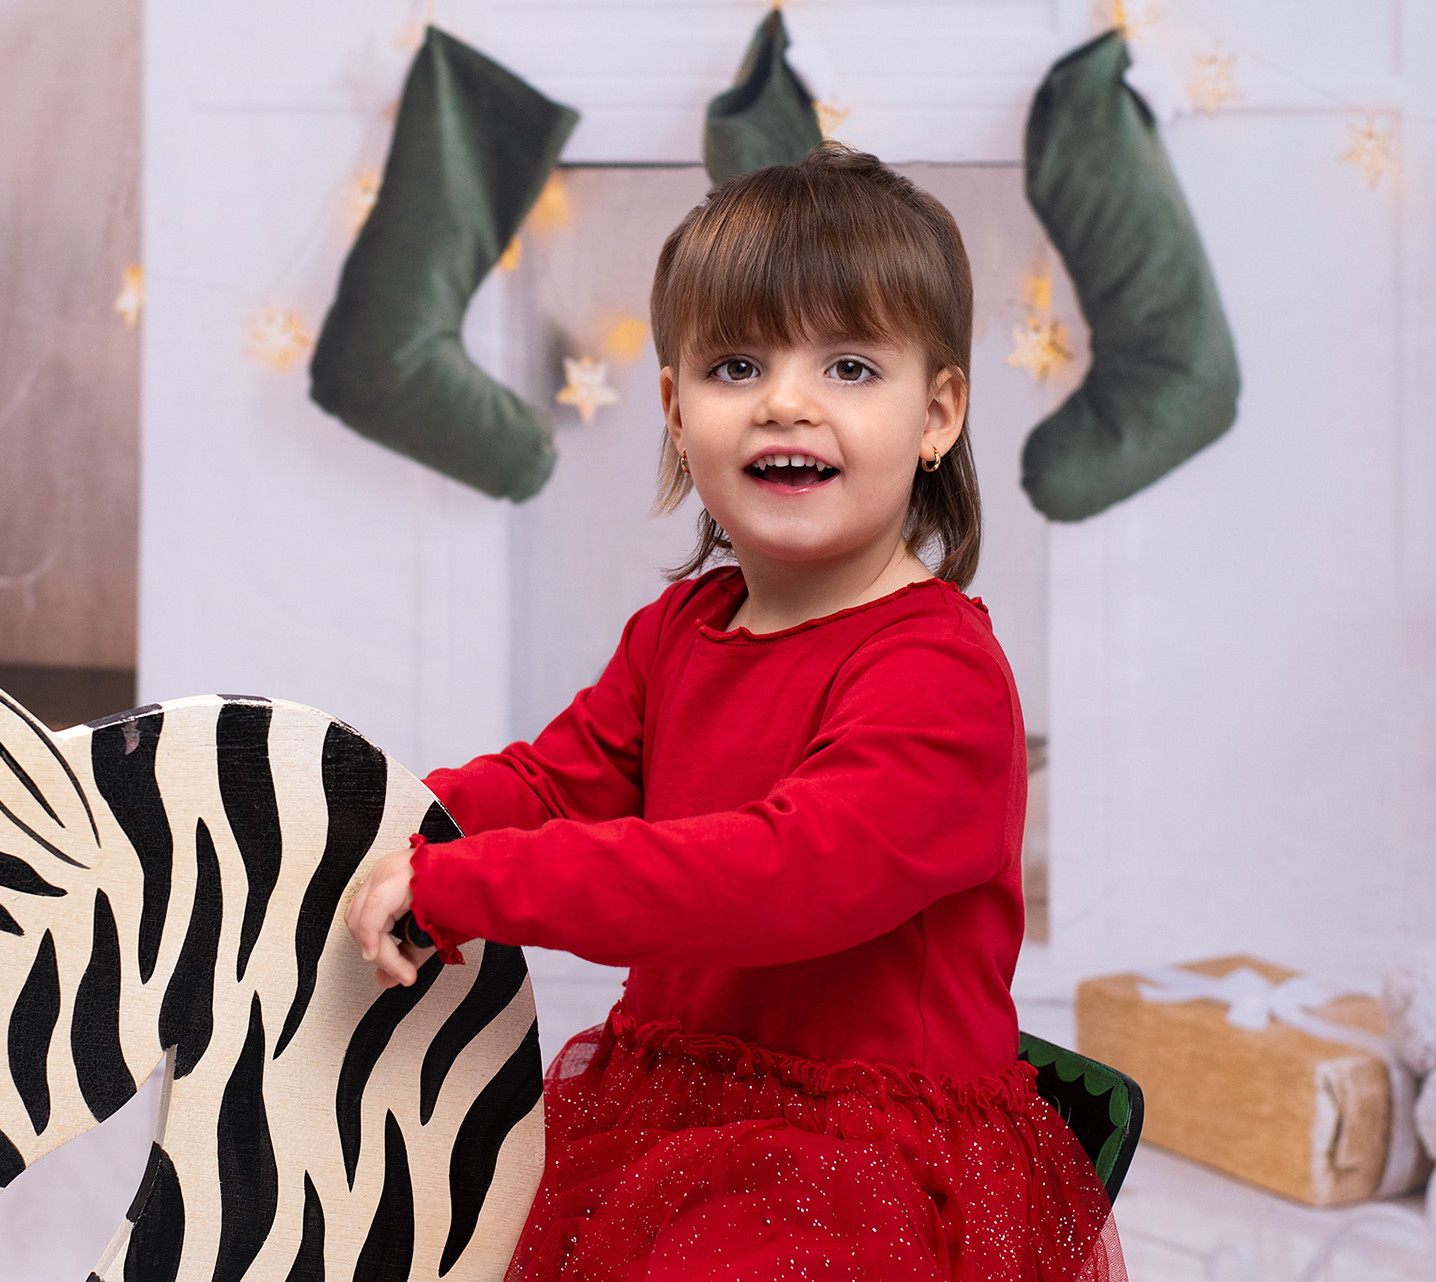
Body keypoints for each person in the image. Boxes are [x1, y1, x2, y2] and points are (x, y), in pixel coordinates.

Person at [345, 142, 1125, 1281]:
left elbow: (777, 875)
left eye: (852, 366)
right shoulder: (683, 632)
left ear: (938, 414)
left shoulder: (940, 673)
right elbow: (556, 781)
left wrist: (479, 884)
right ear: (672, 406)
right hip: (674, 1105)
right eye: (737, 365)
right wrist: (384, 823)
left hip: (862, 1160)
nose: (788, 402)